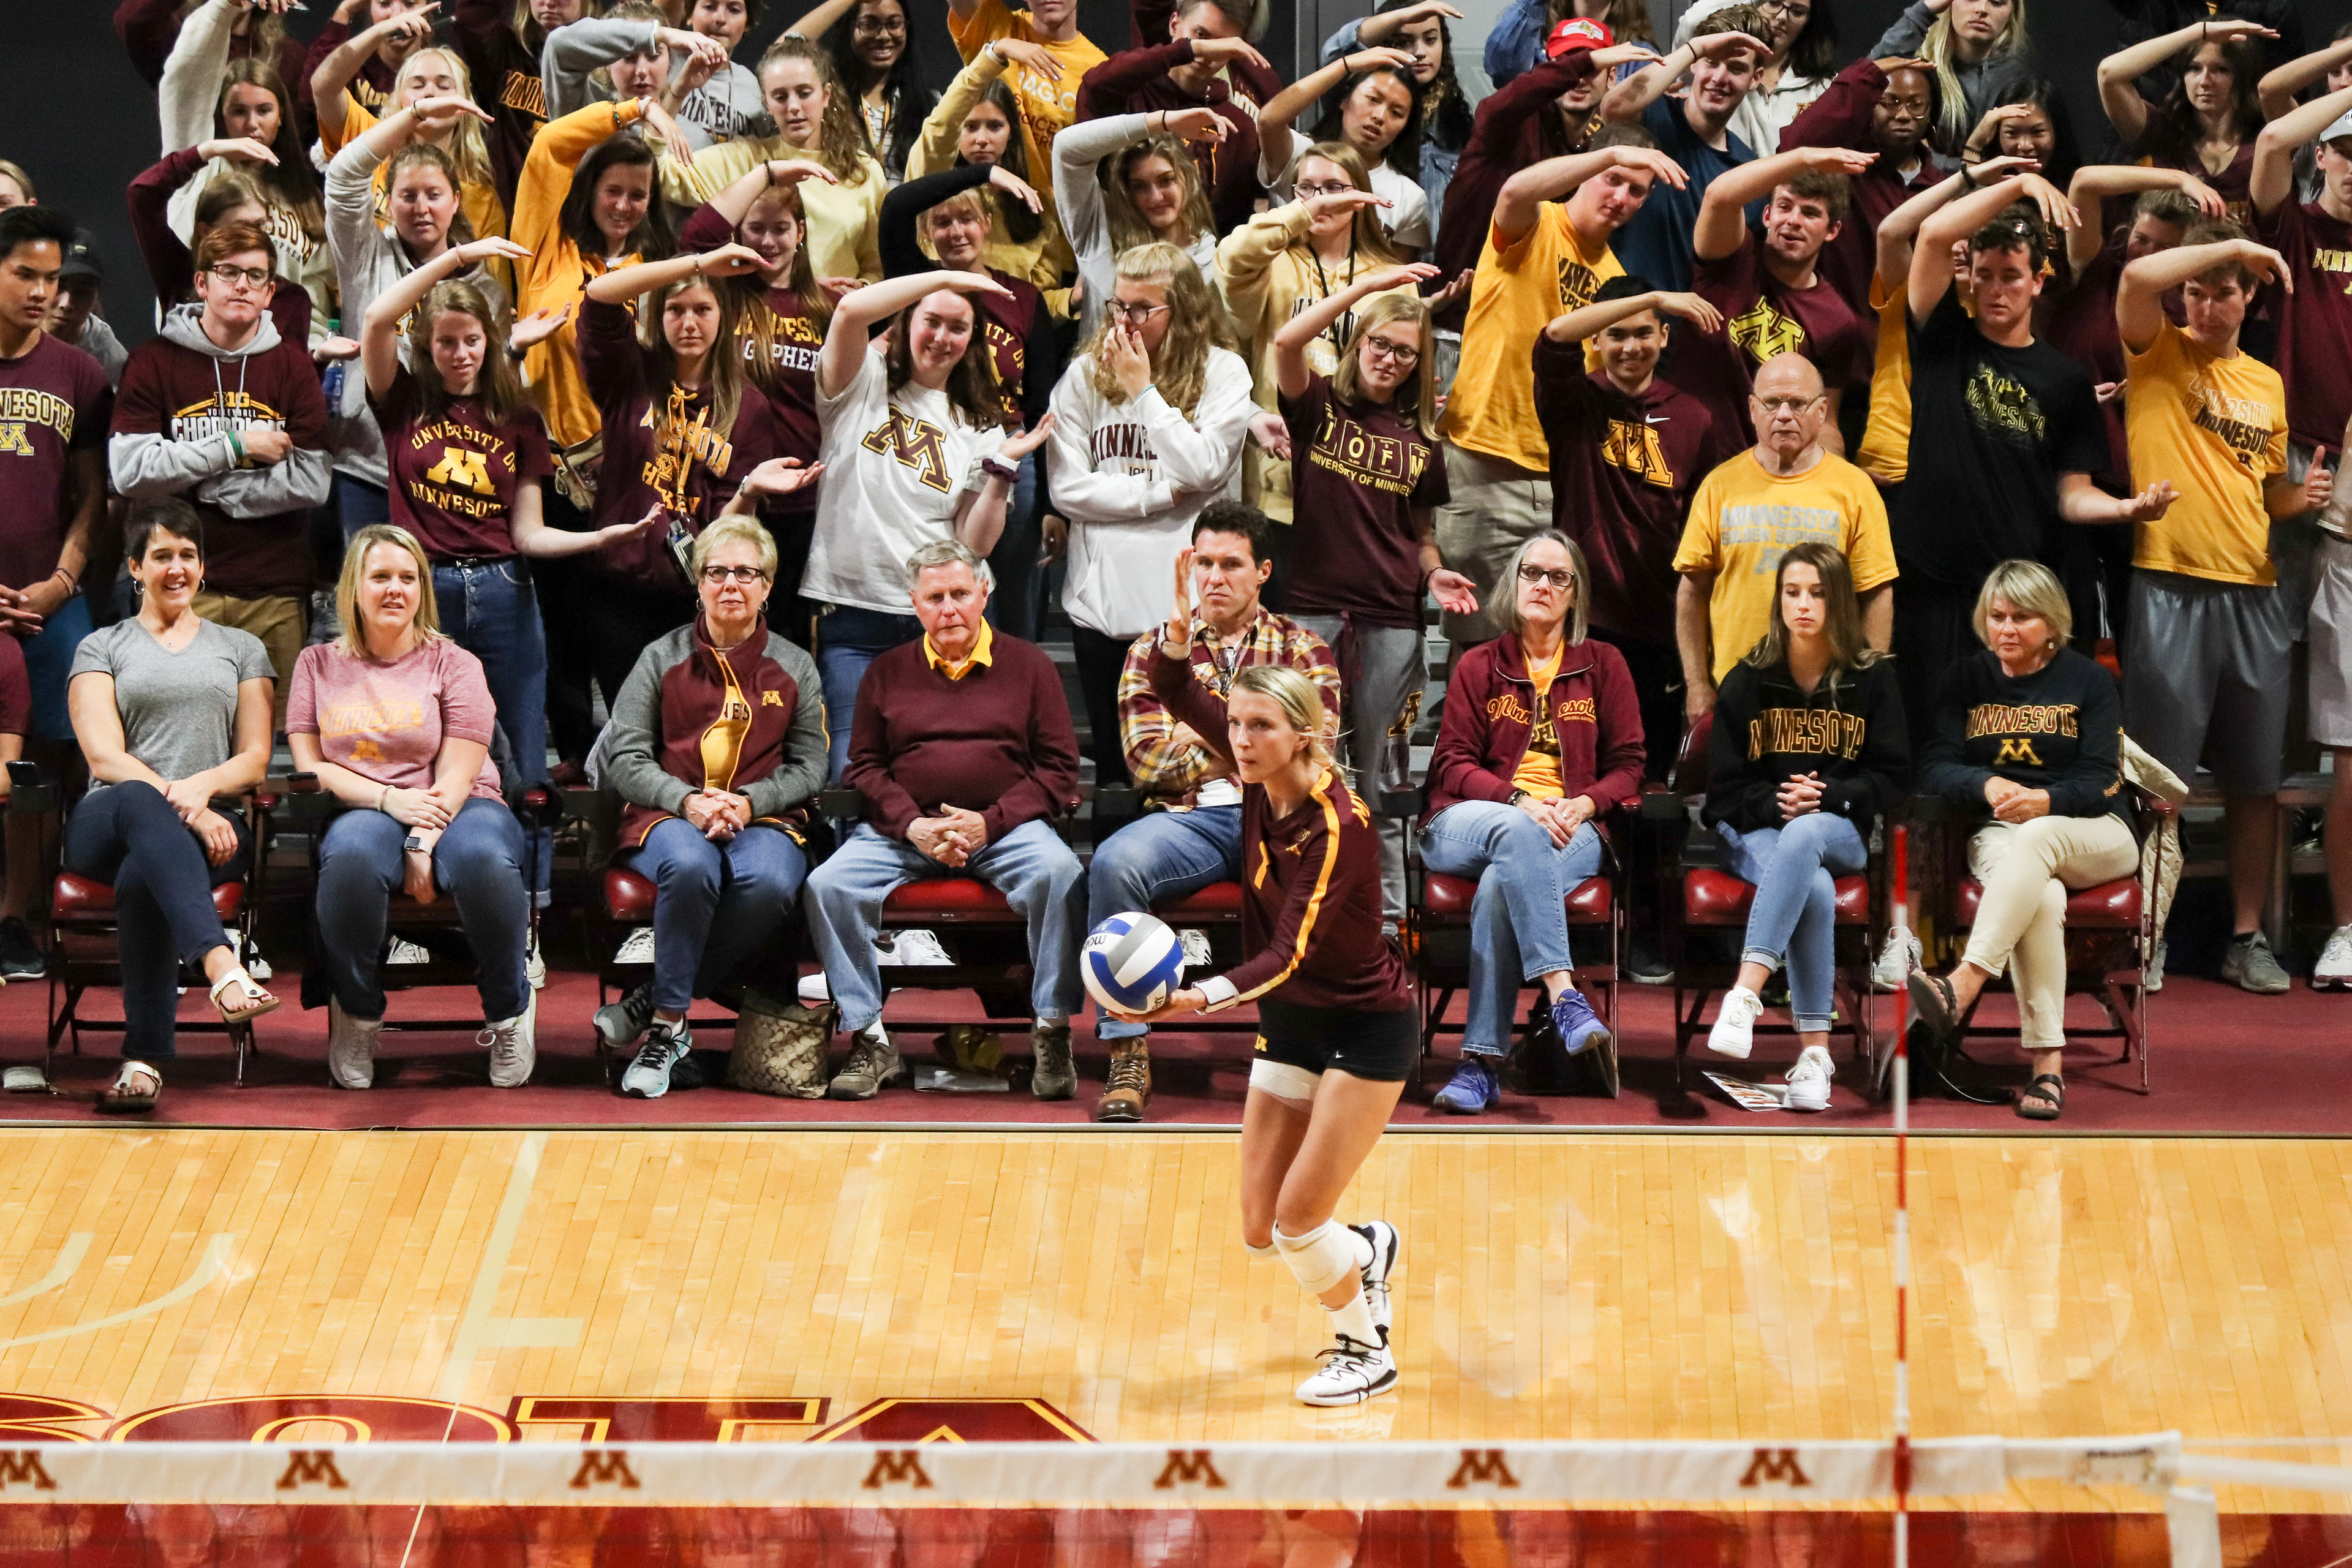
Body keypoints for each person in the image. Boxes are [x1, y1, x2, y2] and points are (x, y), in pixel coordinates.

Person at [1115, 662, 1411, 1407]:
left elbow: (1287, 955)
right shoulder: (1257, 773)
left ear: (1303, 734)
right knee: (1260, 1228)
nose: (1241, 741)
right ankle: (1367, 1249)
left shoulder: (1337, 825)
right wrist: (1176, 640)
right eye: (1236, 725)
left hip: (1365, 1028)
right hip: (1291, 1023)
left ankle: (1366, 1351)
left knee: (1299, 1221)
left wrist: (1196, 998)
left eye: (1260, 726)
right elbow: (1173, 689)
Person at [2116, 222, 2328, 994]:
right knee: (2160, 782)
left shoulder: (2266, 383)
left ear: (2247, 301)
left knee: (2255, 779)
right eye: (2196, 292)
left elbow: (2266, 491)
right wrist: (2231, 250)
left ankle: (2246, 936)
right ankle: (2148, 931)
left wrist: (2301, 497)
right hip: (2169, 581)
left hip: (2255, 589)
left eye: (2223, 292)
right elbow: (2137, 280)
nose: (2206, 305)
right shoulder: (2157, 349)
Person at [1890, 173, 2177, 733]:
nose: (1996, 290)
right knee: (1930, 738)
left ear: (2039, 282)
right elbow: (1932, 235)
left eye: (2011, 277)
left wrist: (2123, 510)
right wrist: (2019, 182)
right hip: (1932, 580)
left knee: (2007, 740)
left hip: (2014, 589)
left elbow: (2072, 493)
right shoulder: (1943, 336)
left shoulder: (2065, 380)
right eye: (1985, 276)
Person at [804, 540, 1085, 1101]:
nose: (949, 608)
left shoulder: (1030, 666)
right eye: (935, 598)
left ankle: (1052, 1030)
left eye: (960, 593)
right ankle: (870, 1037)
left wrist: (990, 823)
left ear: (985, 592)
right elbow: (864, 767)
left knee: (1062, 874)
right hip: (907, 832)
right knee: (827, 885)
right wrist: (913, 825)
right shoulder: (886, 671)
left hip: (1006, 830)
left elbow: (1059, 769)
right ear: (915, 604)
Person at [1090, 503, 1340, 1122]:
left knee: (1337, 869)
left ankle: (1314, 1049)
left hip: (1280, 819)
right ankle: (1127, 1049)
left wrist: (1196, 732)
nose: (1214, 577)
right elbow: (1146, 763)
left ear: (1263, 572)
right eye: (1204, 563)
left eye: (1231, 564)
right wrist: (1255, 740)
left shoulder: (1304, 649)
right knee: (1115, 863)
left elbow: (1316, 753)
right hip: (1191, 820)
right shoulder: (1153, 649)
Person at [288, 524, 536, 1090]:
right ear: (354, 588)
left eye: (408, 578)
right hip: (365, 805)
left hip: (463, 803)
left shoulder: (455, 663)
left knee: (483, 860)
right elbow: (311, 767)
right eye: (380, 577)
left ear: (423, 589)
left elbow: (459, 772)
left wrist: (420, 842)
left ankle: (508, 1011)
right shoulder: (317, 664)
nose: (395, 589)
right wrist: (388, 800)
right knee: (350, 860)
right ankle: (358, 1013)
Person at [595, 516, 829, 1096]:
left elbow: (811, 766)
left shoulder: (794, 665)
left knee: (770, 881)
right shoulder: (660, 657)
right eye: (717, 572)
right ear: (698, 583)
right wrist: (686, 801)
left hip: (763, 819)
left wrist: (750, 803)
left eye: (746, 573)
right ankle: (669, 1027)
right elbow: (625, 757)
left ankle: (655, 1000)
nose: (730, 584)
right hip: (669, 816)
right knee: (691, 865)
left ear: (767, 586)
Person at [1272, 265, 1471, 922]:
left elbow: (1421, 533)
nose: (1390, 359)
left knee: (1382, 778)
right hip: (1312, 612)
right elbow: (1285, 343)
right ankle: (1307, 917)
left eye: (1405, 353)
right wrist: (1363, 293)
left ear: (1419, 364)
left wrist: (1434, 572)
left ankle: (1385, 923)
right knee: (1309, 770)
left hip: (1393, 619)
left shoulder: (1422, 441)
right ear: (1359, 343)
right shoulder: (1318, 405)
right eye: (1380, 344)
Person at [66, 500, 277, 1114]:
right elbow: (105, 758)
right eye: (162, 556)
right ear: (136, 567)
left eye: (188, 555)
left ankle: (143, 1063)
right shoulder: (101, 646)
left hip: (208, 831)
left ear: (203, 567)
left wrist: (202, 791)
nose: (177, 568)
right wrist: (188, 807)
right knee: (136, 797)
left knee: (145, 875)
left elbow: (255, 759)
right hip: (111, 820)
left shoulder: (241, 648)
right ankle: (222, 966)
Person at [1419, 530, 1642, 1113]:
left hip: (1572, 826)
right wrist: (1517, 800)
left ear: (1576, 593)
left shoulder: (1604, 665)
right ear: (1514, 583)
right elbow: (1453, 763)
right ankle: (1564, 994)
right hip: (1469, 821)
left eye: (1558, 577)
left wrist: (1586, 804)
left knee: (1502, 882)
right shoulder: (1479, 664)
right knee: (1517, 834)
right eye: (1531, 573)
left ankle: (1480, 1065)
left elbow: (1629, 765)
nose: (1543, 585)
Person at [1907, 560, 2136, 1120]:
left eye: (2022, 618)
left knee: (2038, 836)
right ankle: (2047, 1068)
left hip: (2095, 832)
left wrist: (2046, 801)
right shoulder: (1965, 679)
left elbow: (2102, 779)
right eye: (1997, 617)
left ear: (2053, 623)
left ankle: (1964, 982)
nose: (2006, 629)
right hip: (2000, 834)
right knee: (2045, 898)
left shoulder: (2089, 680)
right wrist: (1983, 783)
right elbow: (1935, 765)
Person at [1433, 131, 1681, 647]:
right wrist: (1611, 152)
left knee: (1550, 642)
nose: (1621, 198)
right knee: (1480, 643)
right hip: (1485, 462)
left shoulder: (1614, 276)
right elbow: (1513, 192)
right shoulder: (1537, 222)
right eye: (1612, 179)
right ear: (1587, 168)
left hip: (1564, 480)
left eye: (1637, 191)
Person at [802, 270, 1052, 777]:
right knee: (851, 770)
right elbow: (849, 311)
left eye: (958, 327)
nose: (942, 337)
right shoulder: (860, 380)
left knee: (943, 768)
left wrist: (1004, 468)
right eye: (931, 321)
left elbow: (973, 544)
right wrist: (949, 276)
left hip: (940, 619)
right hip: (853, 617)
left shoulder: (980, 423)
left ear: (972, 341)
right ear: (904, 323)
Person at [1701, 542, 1909, 1108]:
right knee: (1811, 885)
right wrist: (1779, 805)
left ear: (1839, 602)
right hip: (1754, 832)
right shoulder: (1748, 679)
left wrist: (1830, 796)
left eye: (1817, 593)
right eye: (1792, 592)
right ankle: (1815, 1059)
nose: (1803, 605)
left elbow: (1895, 777)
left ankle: (1745, 993)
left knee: (1806, 835)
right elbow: (1722, 794)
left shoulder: (1872, 679)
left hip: (1839, 830)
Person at [1049, 244, 1254, 789]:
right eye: (1119, 306)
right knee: (1116, 778)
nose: (1125, 322)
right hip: (1102, 608)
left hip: (1185, 615)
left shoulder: (1224, 372)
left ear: (1182, 309)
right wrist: (1160, 494)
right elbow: (1068, 490)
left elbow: (1204, 466)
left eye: (1143, 309)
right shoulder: (1084, 375)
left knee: (1187, 772)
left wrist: (1143, 392)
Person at [577, 244, 813, 712]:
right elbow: (599, 295)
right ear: (658, 316)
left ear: (723, 317)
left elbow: (728, 525)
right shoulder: (630, 371)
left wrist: (750, 490)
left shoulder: (747, 405)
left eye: (703, 310)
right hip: (618, 589)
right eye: (675, 310)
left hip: (693, 598)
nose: (689, 323)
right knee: (629, 724)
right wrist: (698, 264)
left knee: (684, 725)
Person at [109, 223, 333, 714]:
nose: (242, 285)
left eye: (256, 276)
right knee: (177, 730)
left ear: (270, 292)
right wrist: (235, 446)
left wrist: (208, 489)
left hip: (274, 590)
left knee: (277, 741)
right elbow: (131, 471)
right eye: (228, 272)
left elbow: (312, 481)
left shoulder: (293, 367)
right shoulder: (153, 361)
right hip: (176, 586)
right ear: (202, 283)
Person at [1535, 279, 1736, 774]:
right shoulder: (1573, 401)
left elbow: (1701, 526)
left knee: (1650, 772)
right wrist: (1653, 300)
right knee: (1580, 767)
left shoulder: (1694, 416)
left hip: (1660, 620)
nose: (1630, 347)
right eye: (1616, 334)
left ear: (1664, 337)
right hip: (1585, 617)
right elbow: (1555, 335)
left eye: (1644, 333)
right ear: (1597, 339)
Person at [2253, 86, 2352, 991]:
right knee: (2279, 643)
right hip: (2296, 452)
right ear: (2326, 154)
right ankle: (2282, 803)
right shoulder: (2297, 228)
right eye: (2349, 151)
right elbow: (2274, 133)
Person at [0, 206, 114, 981]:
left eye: (52, 279)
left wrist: (63, 581)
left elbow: (91, 498)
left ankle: (17, 915)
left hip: (50, 596)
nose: (43, 292)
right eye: (26, 275)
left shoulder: (81, 374)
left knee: (44, 762)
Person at [880, 163, 1063, 638]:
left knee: (1015, 593)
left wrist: (1051, 504)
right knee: (951, 584)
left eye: (967, 219)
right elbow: (896, 207)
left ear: (987, 224)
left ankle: (1015, 679)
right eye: (942, 222)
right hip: (933, 443)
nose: (956, 232)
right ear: (927, 233)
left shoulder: (1023, 298)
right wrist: (984, 173)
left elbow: (1041, 403)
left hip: (1009, 449)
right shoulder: (916, 283)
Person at [325, 96, 516, 545]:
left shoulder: (486, 291)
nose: (421, 208)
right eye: (408, 196)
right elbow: (343, 175)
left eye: (434, 195)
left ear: (456, 200)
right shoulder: (366, 255)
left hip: (449, 477)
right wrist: (415, 112)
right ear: (389, 202)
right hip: (367, 465)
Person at [1672, 353, 1896, 719]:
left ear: (1822, 411)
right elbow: (1691, 592)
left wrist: (1869, 684)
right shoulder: (1719, 486)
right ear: (1753, 409)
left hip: (1828, 697)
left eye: (1797, 403)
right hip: (1734, 691)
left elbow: (1876, 593)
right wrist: (1697, 685)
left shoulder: (1855, 489)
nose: (1784, 415)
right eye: (1772, 402)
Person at [1218, 144, 1415, 524]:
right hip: (1278, 481)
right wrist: (1305, 212)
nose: (1318, 199)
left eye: (1333, 188)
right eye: (1306, 188)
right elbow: (1232, 257)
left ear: (1359, 198)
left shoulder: (1393, 279)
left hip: (1358, 481)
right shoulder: (1272, 264)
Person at [676, 160, 837, 618]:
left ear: (801, 231)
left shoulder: (829, 308)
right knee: (725, 617)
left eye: (780, 229)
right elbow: (696, 239)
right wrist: (768, 173)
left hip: (803, 496)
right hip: (727, 489)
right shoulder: (723, 294)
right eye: (756, 229)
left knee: (788, 625)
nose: (768, 241)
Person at [1682, 145, 1876, 448]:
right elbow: (1719, 196)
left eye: (1810, 213)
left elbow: (1825, 423)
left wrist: (1837, 470)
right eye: (1785, 207)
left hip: (1760, 467)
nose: (1794, 220)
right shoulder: (1732, 257)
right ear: (1767, 215)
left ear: (1832, 230)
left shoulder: (1838, 321)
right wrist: (1802, 157)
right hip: (1682, 450)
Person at [658, 36, 887, 289]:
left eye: (804, 93)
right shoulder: (745, 157)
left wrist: (861, 289)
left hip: (837, 311)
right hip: (759, 310)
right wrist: (678, 92)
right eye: (780, 97)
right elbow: (656, 174)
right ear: (766, 103)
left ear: (826, 95)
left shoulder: (864, 171)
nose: (794, 107)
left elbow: (877, 264)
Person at [156, 19, 334, 323]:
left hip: (284, 345)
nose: (252, 124)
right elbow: (183, 81)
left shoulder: (305, 197)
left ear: (281, 116)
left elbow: (316, 293)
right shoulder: (202, 173)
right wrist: (225, 8)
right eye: (239, 111)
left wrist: (312, 343)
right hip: (208, 335)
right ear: (221, 116)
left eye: (264, 110)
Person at [1596, 7, 1773, 293]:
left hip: (1684, 318)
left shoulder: (1747, 173)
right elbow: (1612, 108)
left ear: (1756, 78)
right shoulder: (1654, 115)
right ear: (1695, 64)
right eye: (1711, 62)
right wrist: (1694, 48)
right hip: (1612, 307)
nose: (1719, 77)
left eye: (1736, 69)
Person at [315, 41, 514, 292]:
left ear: (465, 103)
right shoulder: (370, 142)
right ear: (399, 99)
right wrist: (380, 32)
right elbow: (324, 87)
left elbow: (493, 294)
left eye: (444, 86)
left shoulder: (481, 199)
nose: (430, 94)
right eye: (418, 86)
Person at [1078, 0, 1278, 235]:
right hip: (1119, 250)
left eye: (1221, 45)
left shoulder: (1238, 127)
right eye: (1201, 35)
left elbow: (1234, 224)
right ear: (1174, 24)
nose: (1208, 53)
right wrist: (1187, 50)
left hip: (1202, 255)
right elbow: (1094, 86)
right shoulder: (1127, 96)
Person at [1776, 55, 1947, 308]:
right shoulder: (1844, 166)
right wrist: (1867, 75)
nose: (1903, 115)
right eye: (1889, 103)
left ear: (1931, 112)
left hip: (1910, 328)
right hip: (1837, 320)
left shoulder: (1942, 186)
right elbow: (1794, 147)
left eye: (1916, 104)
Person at [943, 0, 1107, 256]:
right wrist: (1001, 47)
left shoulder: (1099, 68)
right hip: (989, 233)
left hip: (1060, 240)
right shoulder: (998, 26)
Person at [1054, 109, 1224, 341]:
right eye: (1140, 187)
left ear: (1188, 177)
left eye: (1166, 180)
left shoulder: (1217, 260)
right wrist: (1164, 122)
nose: (1155, 197)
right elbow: (1066, 148)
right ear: (1126, 191)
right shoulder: (1099, 234)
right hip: (1102, 364)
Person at [1321, 0, 1477, 241]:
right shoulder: (1358, 100)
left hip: (1430, 259)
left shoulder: (1457, 125)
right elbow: (1335, 53)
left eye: (1431, 40)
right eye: (1405, 42)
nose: (1420, 52)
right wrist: (1401, 16)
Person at [903, 51, 1061, 289]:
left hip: (1009, 312)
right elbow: (940, 127)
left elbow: (1040, 298)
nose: (982, 139)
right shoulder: (931, 183)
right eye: (970, 127)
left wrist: (1068, 300)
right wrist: (995, 53)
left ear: (1011, 132)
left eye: (995, 126)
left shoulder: (1033, 206)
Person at [130, 150, 315, 351]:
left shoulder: (290, 299)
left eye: (261, 225)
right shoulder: (179, 274)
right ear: (206, 232)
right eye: (241, 227)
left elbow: (293, 369)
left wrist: (318, 360)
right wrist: (209, 150)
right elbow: (141, 195)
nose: (254, 237)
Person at [2100, 17, 2275, 226]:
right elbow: (2108, 73)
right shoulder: (2162, 133)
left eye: (2221, 69)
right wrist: (2197, 32)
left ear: (2242, 76)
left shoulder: (2263, 142)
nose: (2204, 81)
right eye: (2194, 68)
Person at [1256, 48, 1433, 255]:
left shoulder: (1409, 197)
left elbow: (1398, 272)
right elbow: (1268, 120)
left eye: (1396, 113)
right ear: (1344, 100)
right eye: (1373, 99)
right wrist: (1343, 66)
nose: (1380, 116)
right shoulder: (1302, 154)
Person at [451, 0, 598, 202]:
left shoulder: (610, 63)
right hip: (516, 205)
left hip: (584, 204)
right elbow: (472, 17)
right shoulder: (504, 49)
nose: (549, 2)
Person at [1869, 0, 2038, 160]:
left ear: (2012, 13)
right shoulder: (1917, 71)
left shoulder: (2016, 80)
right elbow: (1865, 78)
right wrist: (1923, 12)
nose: (1982, 9)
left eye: (1997, 2)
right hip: (1918, 180)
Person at [787, 0, 937, 182]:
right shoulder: (827, 101)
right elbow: (785, 51)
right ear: (849, 28)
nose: (883, 35)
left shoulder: (931, 105)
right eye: (869, 25)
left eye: (894, 24)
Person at [1671, 0, 1839, 155]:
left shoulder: (1825, 87)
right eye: (1774, 3)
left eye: (1797, 11)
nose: (1782, 17)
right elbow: (1693, 21)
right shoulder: (1710, 62)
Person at [541, 1, 734, 119]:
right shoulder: (584, 113)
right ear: (607, 62)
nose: (642, 70)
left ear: (670, 60)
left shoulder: (691, 123)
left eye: (653, 56)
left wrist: (678, 94)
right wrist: (658, 35)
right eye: (629, 58)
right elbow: (558, 45)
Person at [302, 0, 435, 121]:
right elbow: (312, 97)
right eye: (384, 4)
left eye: (410, 3)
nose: (397, 15)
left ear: (430, 8)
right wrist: (344, 12)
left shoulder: (439, 68)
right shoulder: (352, 65)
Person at [660, 0, 767, 148]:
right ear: (690, 15)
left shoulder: (752, 84)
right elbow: (647, 28)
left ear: (747, 24)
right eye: (710, 7)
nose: (720, 19)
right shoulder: (664, 58)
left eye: (734, 10)